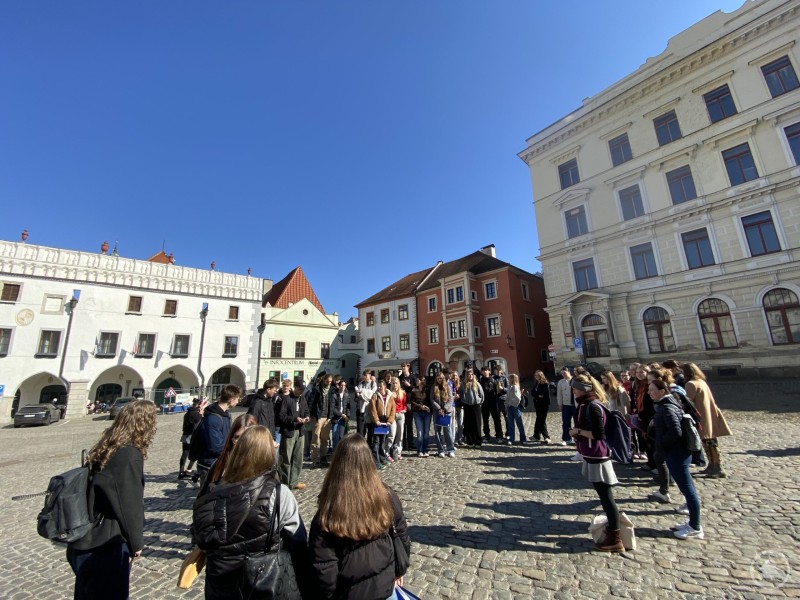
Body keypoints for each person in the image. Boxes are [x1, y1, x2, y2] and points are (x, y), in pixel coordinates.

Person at [192, 426, 309, 599]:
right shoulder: (278, 494)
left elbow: (201, 537)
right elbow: (298, 542)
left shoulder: (213, 492)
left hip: (220, 585)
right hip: (263, 582)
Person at [67, 400, 157, 600]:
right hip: (107, 543)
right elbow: (129, 505)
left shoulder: (107, 446)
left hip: (87, 538)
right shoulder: (129, 455)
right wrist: (136, 543)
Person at [308, 434, 411, 600]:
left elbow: (324, 572)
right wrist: (400, 570)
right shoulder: (387, 495)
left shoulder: (326, 514)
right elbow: (402, 535)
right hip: (385, 588)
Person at [569, 374, 624, 553]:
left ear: (583, 389)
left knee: (606, 497)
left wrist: (577, 431)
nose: (573, 391)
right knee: (603, 496)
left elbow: (599, 434)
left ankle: (615, 537)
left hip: (598, 455)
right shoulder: (585, 404)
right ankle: (613, 529)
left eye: (575, 388)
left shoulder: (593, 406)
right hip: (592, 454)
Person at [648, 378, 704, 540]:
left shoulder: (667, 407)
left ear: (662, 391)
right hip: (677, 453)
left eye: (652, 390)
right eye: (649, 390)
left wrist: (661, 445)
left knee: (688, 490)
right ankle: (692, 522)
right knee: (687, 488)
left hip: (677, 453)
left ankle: (695, 527)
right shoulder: (667, 404)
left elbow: (675, 431)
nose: (650, 393)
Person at [682, 362, 732, 478]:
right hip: (708, 414)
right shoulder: (701, 381)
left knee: (709, 442)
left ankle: (717, 467)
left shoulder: (691, 384)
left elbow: (687, 401)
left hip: (702, 416)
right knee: (709, 441)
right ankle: (712, 465)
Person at [198, 413, 257, 496]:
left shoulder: (265, 464)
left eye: (246, 437)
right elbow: (204, 496)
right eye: (237, 437)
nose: (241, 442)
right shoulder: (221, 463)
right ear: (231, 438)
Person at [193, 385, 241, 485]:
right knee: (208, 493)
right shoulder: (213, 418)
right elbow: (215, 446)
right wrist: (234, 445)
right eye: (237, 399)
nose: (238, 402)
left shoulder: (226, 415)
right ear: (231, 400)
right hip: (210, 464)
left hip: (220, 462)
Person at [278, 379, 310, 491]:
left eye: (303, 390)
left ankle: (294, 481)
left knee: (298, 458)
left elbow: (306, 411)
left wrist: (306, 417)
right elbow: (282, 416)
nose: (301, 391)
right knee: (286, 458)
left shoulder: (302, 399)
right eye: (300, 389)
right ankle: (285, 483)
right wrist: (294, 419)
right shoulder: (286, 399)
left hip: (300, 432)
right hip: (289, 432)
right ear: (295, 387)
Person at [309, 373, 335, 467]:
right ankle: (315, 459)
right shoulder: (317, 389)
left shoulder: (331, 390)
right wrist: (310, 415)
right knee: (315, 438)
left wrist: (330, 416)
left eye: (330, 381)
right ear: (324, 380)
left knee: (325, 439)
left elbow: (332, 404)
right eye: (327, 381)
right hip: (318, 417)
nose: (329, 383)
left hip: (327, 418)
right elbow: (311, 402)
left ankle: (323, 458)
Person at [370, 379, 396, 469]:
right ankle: (376, 462)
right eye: (378, 386)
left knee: (382, 441)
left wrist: (390, 420)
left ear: (385, 386)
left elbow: (393, 409)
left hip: (385, 421)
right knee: (376, 442)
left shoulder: (390, 396)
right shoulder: (375, 396)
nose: (379, 387)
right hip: (378, 422)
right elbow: (373, 409)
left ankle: (382, 458)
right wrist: (376, 420)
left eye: (381, 386)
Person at [431, 372, 455, 458]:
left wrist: (444, 409)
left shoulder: (447, 387)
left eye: (440, 378)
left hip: (446, 412)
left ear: (443, 379)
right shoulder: (433, 387)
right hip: (437, 412)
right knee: (437, 432)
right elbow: (432, 399)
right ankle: (440, 450)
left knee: (448, 431)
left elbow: (451, 399)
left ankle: (450, 449)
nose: (439, 380)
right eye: (438, 378)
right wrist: (439, 409)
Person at [178, 397, 203, 479]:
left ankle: (181, 471)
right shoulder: (195, 414)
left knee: (184, 453)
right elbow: (200, 424)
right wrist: (201, 414)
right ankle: (188, 470)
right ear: (199, 405)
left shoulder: (188, 413)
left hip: (185, 435)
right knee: (196, 453)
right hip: (192, 436)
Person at [459, 369, 484, 447]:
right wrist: (463, 400)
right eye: (468, 374)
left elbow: (481, 394)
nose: (470, 376)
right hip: (467, 405)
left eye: (471, 374)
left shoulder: (477, 384)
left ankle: (478, 441)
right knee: (468, 424)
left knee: (477, 423)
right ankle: (470, 441)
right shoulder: (463, 384)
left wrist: (479, 401)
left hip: (476, 405)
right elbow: (460, 393)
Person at [480, 366, 503, 442]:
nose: (485, 372)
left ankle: (499, 436)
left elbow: (499, 392)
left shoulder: (494, 380)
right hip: (484, 403)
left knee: (497, 419)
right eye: (483, 371)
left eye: (486, 370)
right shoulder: (480, 381)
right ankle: (487, 435)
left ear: (489, 371)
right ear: (481, 372)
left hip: (494, 403)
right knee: (485, 420)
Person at [398, 363, 418, 452]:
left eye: (404, 367)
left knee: (409, 425)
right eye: (402, 367)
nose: (403, 368)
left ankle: (410, 444)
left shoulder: (413, 377)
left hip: (409, 402)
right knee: (402, 425)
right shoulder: (400, 378)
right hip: (402, 403)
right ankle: (403, 444)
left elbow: (417, 388)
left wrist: (409, 386)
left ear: (408, 367)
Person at [411, 377, 431, 457]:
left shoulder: (427, 390)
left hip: (427, 413)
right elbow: (412, 402)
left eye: (418, 380)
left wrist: (428, 407)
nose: (417, 382)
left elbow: (431, 400)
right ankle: (419, 450)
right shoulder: (414, 390)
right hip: (418, 413)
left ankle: (425, 450)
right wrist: (420, 407)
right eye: (417, 380)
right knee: (420, 433)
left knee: (426, 433)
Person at [389, 377, 407, 461]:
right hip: (392, 415)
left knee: (400, 434)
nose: (395, 384)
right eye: (393, 383)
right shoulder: (389, 393)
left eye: (396, 383)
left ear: (398, 384)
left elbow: (404, 404)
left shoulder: (402, 392)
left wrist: (404, 409)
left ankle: (399, 452)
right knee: (392, 435)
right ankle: (387, 452)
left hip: (400, 415)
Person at [506, 373, 527, 445]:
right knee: (510, 424)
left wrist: (513, 404)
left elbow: (518, 398)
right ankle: (512, 439)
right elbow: (507, 397)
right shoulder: (509, 386)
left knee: (519, 423)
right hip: (509, 407)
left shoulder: (515, 387)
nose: (508, 380)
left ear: (512, 379)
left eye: (509, 378)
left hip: (515, 407)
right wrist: (507, 404)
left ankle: (523, 439)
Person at [331, 378, 351, 452]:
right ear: (338, 386)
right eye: (341, 385)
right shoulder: (334, 395)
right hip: (336, 418)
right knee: (335, 437)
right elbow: (333, 408)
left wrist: (347, 416)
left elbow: (348, 407)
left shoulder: (347, 395)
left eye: (344, 385)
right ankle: (335, 452)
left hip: (343, 419)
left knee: (341, 437)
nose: (343, 387)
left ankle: (341, 452)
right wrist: (341, 414)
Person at [556, 367, 575, 446]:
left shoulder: (575, 380)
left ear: (569, 372)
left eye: (564, 373)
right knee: (566, 422)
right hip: (566, 404)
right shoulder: (561, 382)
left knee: (577, 422)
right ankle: (566, 438)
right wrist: (560, 404)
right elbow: (559, 394)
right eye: (562, 373)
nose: (563, 374)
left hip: (575, 404)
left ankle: (577, 439)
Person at [355, 370, 377, 438]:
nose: (364, 377)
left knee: (370, 430)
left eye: (366, 375)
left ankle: (369, 443)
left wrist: (362, 391)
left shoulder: (373, 384)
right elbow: (358, 395)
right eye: (363, 375)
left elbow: (372, 394)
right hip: (361, 409)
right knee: (360, 431)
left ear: (370, 375)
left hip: (369, 409)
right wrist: (365, 394)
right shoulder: (361, 383)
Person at [531, 370, 551, 443]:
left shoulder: (545, 384)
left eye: (537, 376)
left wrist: (537, 395)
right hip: (537, 404)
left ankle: (546, 437)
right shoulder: (536, 384)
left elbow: (544, 395)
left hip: (544, 404)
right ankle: (536, 436)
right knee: (538, 420)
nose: (536, 377)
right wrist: (538, 395)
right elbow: (533, 393)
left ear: (541, 376)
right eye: (535, 376)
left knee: (541, 421)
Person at [492, 365, 509, 440]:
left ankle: (508, 433)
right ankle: (499, 434)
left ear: (501, 371)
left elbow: (508, 389)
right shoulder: (492, 378)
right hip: (496, 400)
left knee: (507, 418)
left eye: (499, 371)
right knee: (497, 418)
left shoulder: (504, 378)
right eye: (496, 371)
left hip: (504, 400)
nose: (498, 372)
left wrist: (503, 389)